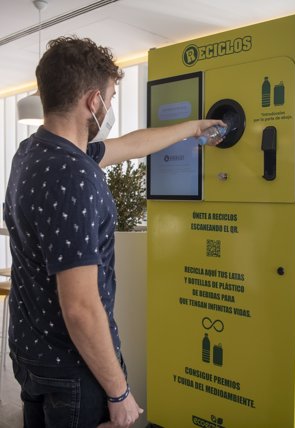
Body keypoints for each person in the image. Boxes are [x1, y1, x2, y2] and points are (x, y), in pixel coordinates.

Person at [4, 36, 224, 428]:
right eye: (111, 97)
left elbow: (129, 145)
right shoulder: (73, 176)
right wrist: (119, 393)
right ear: (93, 101)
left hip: (32, 354)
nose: (110, 108)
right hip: (73, 370)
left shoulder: (33, 152)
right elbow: (81, 309)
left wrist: (193, 128)